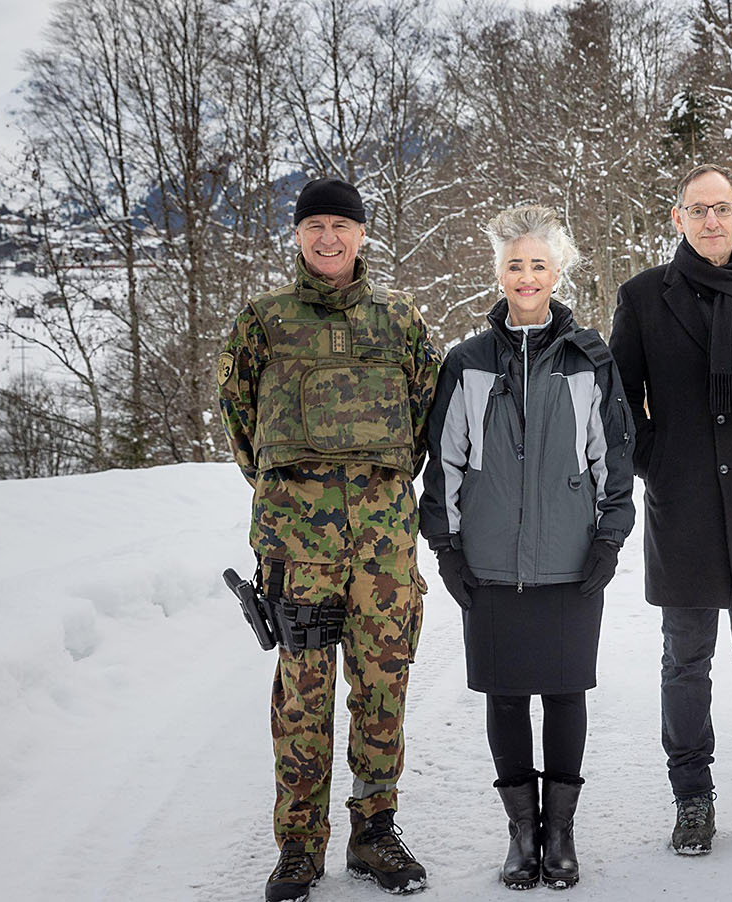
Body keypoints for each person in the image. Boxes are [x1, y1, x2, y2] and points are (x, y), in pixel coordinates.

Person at [217, 177, 439, 901]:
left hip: (383, 550)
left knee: (382, 689)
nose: (328, 238)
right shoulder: (264, 321)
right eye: (314, 225)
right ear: (297, 235)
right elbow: (239, 416)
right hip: (296, 552)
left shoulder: (400, 318)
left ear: (363, 234)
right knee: (302, 695)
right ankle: (298, 844)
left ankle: (375, 832)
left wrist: (377, 497)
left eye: (341, 225)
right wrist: (293, 498)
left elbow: (425, 413)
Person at [418, 205, 635, 890]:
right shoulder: (467, 362)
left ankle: (561, 833)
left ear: (558, 271)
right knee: (507, 696)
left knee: (566, 693)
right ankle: (521, 832)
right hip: (488, 562)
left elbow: (615, 457)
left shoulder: (589, 359)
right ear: (499, 273)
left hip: (570, 562)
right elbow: (443, 462)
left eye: (538, 264)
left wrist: (609, 536)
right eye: (515, 264)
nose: (526, 275)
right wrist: (445, 547)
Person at [609, 163, 732, 854]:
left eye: (722, 208)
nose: (711, 221)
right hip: (684, 503)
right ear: (677, 218)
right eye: (698, 210)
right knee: (684, 662)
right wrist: (654, 464)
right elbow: (620, 403)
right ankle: (692, 799)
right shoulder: (642, 298)